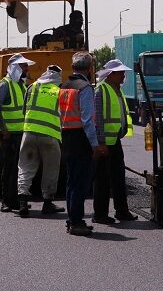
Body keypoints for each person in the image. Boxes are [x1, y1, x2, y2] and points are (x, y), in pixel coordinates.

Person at [60, 52, 103, 236]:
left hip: (67, 137)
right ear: (89, 69)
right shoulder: (84, 88)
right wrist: (94, 145)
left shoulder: (64, 86)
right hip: (81, 138)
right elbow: (87, 119)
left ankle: (72, 220)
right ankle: (77, 222)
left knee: (71, 182)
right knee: (81, 183)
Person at [93, 59, 137, 224]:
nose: (123, 76)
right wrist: (101, 141)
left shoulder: (118, 90)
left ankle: (122, 211)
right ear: (110, 74)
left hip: (115, 141)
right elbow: (97, 117)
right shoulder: (101, 90)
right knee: (102, 180)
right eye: (120, 73)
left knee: (119, 177)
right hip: (105, 143)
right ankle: (100, 214)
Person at [17, 65, 65, 217]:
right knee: (51, 169)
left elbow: (24, 110)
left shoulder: (32, 87)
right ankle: (47, 203)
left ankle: (23, 202)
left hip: (29, 133)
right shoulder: (58, 91)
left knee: (25, 167)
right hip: (49, 136)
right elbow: (63, 114)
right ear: (58, 77)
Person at [0, 53, 35, 213]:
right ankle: (6, 201)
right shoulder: (5, 84)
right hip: (9, 135)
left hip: (21, 133)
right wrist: (4, 129)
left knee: (19, 167)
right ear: (15, 67)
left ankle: (14, 200)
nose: (26, 69)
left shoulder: (21, 85)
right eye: (23, 66)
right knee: (9, 167)